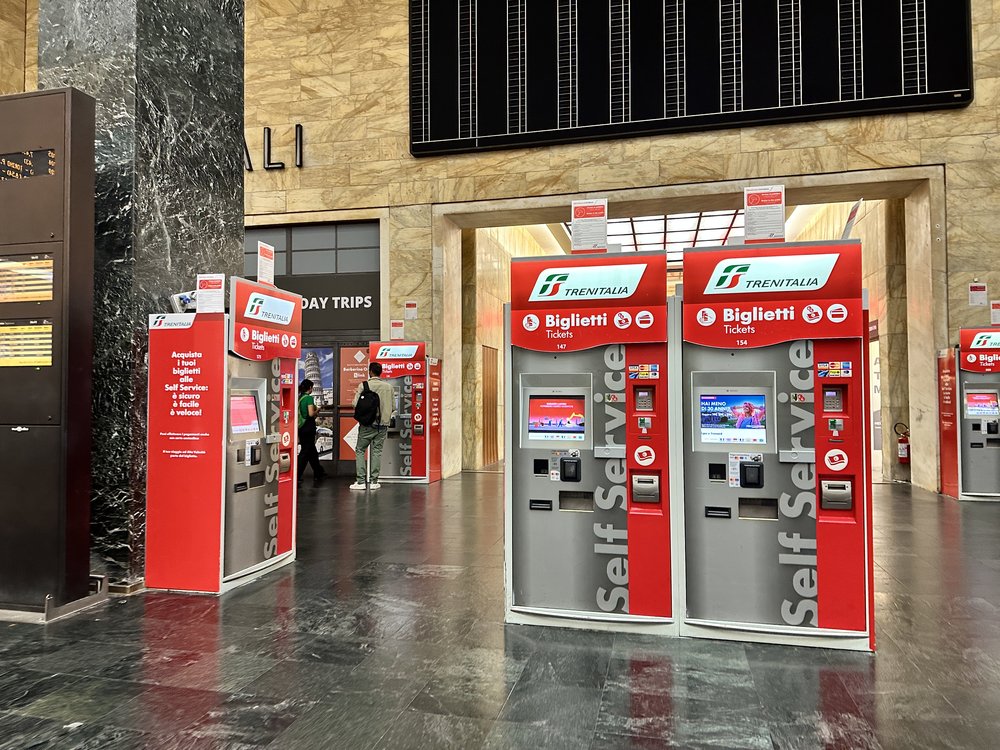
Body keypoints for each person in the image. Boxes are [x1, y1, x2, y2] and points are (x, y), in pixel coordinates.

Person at [351, 361, 396, 490]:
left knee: (360, 450)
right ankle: (374, 481)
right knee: (377, 451)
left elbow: (355, 404)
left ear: (370, 372)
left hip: (366, 424)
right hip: (382, 425)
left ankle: (360, 482)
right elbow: (393, 407)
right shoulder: (389, 387)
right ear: (380, 372)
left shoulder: (363, 386)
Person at [297, 379, 327, 484]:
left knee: (312, 452)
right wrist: (318, 410)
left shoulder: (300, 398)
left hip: (301, 427)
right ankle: (297, 475)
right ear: (310, 388)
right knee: (305, 452)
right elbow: (310, 414)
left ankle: (318, 472)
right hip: (308, 427)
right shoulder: (309, 398)